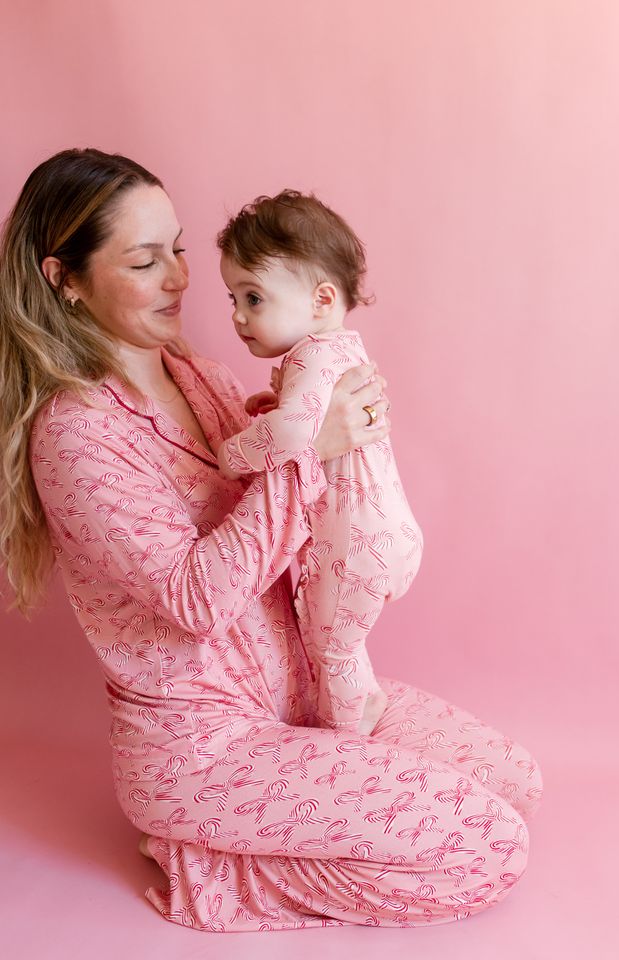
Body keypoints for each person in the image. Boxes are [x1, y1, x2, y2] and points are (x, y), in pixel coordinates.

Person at [0, 148, 543, 933]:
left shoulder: (206, 380)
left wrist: (352, 448)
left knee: (514, 783)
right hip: (207, 749)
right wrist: (305, 453)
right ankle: (216, 871)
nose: (181, 279)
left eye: (180, 249)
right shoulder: (76, 435)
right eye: (146, 261)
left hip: (306, 696)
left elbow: (296, 518)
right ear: (66, 279)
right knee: (488, 848)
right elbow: (197, 598)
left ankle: (293, 818)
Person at [216, 190, 423, 736]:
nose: (238, 315)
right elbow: (309, 421)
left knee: (331, 646)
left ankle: (351, 739)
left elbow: (291, 434)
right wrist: (281, 408)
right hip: (388, 529)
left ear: (321, 300)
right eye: (233, 297)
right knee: (343, 642)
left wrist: (234, 454)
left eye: (254, 297)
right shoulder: (345, 350)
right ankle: (366, 703)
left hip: (357, 538)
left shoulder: (310, 353)